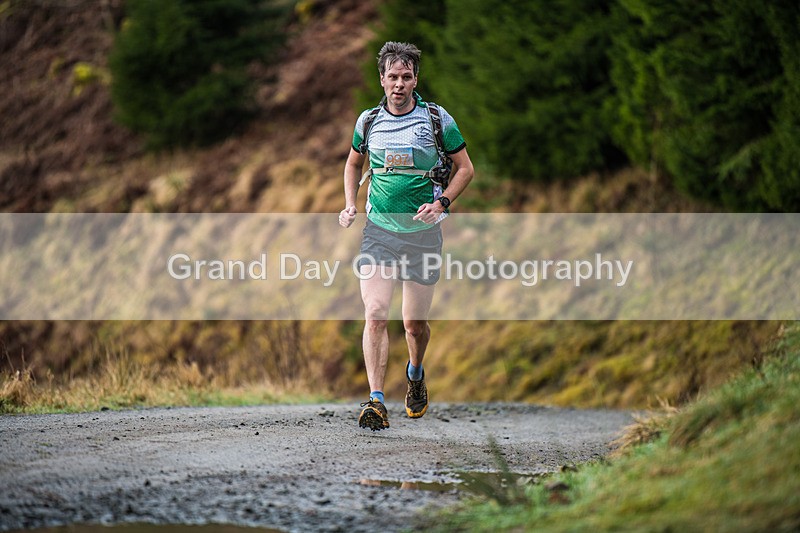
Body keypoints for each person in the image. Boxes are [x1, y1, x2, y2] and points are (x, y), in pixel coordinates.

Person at [338, 41, 475, 430]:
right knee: (376, 313)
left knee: (413, 324)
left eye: (406, 76)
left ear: (416, 79)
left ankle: (415, 372)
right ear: (381, 80)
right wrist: (351, 203)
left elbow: (465, 168)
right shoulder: (368, 121)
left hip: (422, 235)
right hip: (379, 231)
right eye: (392, 76)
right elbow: (352, 163)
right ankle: (376, 401)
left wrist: (442, 204)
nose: (399, 84)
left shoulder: (436, 119)